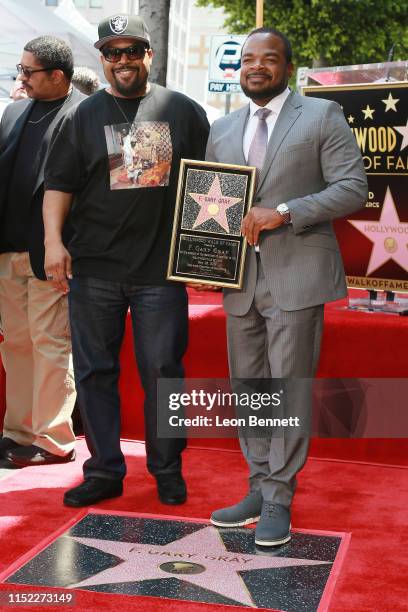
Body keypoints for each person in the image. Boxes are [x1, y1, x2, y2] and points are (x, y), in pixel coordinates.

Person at [205, 28, 368, 546]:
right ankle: (257, 485)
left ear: (287, 67)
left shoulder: (320, 117)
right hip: (239, 282)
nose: (256, 67)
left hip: (297, 276)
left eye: (268, 59)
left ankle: (279, 497)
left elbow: (353, 188)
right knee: (249, 390)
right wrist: (203, 256)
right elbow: (213, 203)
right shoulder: (223, 127)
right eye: (247, 59)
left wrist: (284, 212)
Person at [42, 14, 209, 507]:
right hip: (93, 269)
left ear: (148, 54)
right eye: (112, 53)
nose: (122, 61)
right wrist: (54, 242)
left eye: (131, 50)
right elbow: (59, 186)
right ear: (102, 58)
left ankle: (166, 468)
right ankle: (104, 471)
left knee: (164, 372)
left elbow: (213, 181)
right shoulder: (81, 115)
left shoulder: (182, 110)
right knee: (94, 372)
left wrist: (211, 256)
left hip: (161, 271)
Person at [0, 36, 84, 467]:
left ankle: (53, 440)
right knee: (15, 344)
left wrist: (64, 246)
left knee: (50, 343)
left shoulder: (83, 114)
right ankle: (17, 432)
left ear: (57, 75)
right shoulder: (14, 111)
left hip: (53, 253)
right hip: (8, 250)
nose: (22, 78)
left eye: (28, 71)